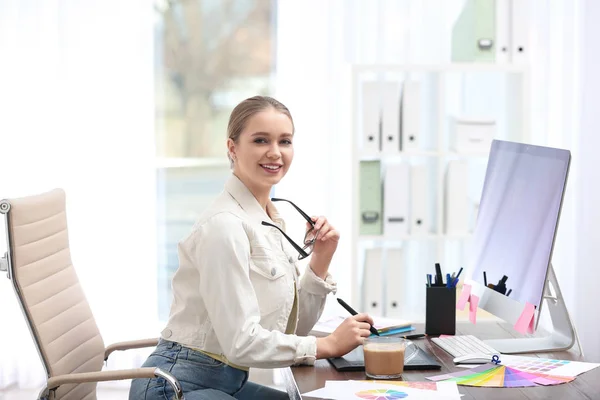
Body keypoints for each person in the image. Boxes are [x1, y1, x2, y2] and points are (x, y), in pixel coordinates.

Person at [129, 96, 374, 400]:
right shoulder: (224, 225)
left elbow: (290, 330)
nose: (275, 152)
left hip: (228, 380)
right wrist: (327, 345)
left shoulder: (268, 219)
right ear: (232, 148)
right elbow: (241, 342)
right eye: (260, 140)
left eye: (285, 141)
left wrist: (320, 261)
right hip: (175, 385)